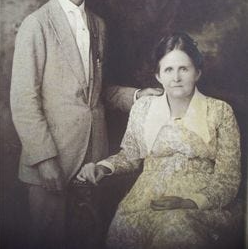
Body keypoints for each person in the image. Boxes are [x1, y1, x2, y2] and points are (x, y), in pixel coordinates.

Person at [10, 0, 162, 249]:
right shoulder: (36, 24)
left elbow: (94, 93)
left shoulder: (99, 25)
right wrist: (44, 159)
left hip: (93, 156)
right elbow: (24, 99)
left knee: (89, 238)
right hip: (51, 159)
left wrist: (136, 95)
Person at [78, 32, 241, 249]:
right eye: (168, 70)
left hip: (199, 205)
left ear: (198, 72)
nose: (176, 78)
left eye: (184, 69)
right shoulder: (143, 108)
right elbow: (130, 156)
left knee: (176, 228)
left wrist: (190, 202)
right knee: (129, 230)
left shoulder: (220, 111)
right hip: (145, 201)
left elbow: (228, 179)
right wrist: (103, 168)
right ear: (158, 76)